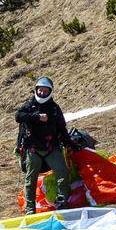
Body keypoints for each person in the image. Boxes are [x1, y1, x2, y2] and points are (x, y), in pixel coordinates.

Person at [15, 77, 75, 215]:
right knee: (31, 180)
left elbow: (61, 128)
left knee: (63, 173)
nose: (42, 93)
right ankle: (30, 211)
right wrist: (37, 116)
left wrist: (70, 144)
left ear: (50, 92)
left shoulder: (54, 108)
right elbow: (18, 116)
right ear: (36, 90)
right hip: (32, 149)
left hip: (51, 148)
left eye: (45, 91)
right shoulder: (29, 105)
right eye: (40, 90)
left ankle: (62, 204)